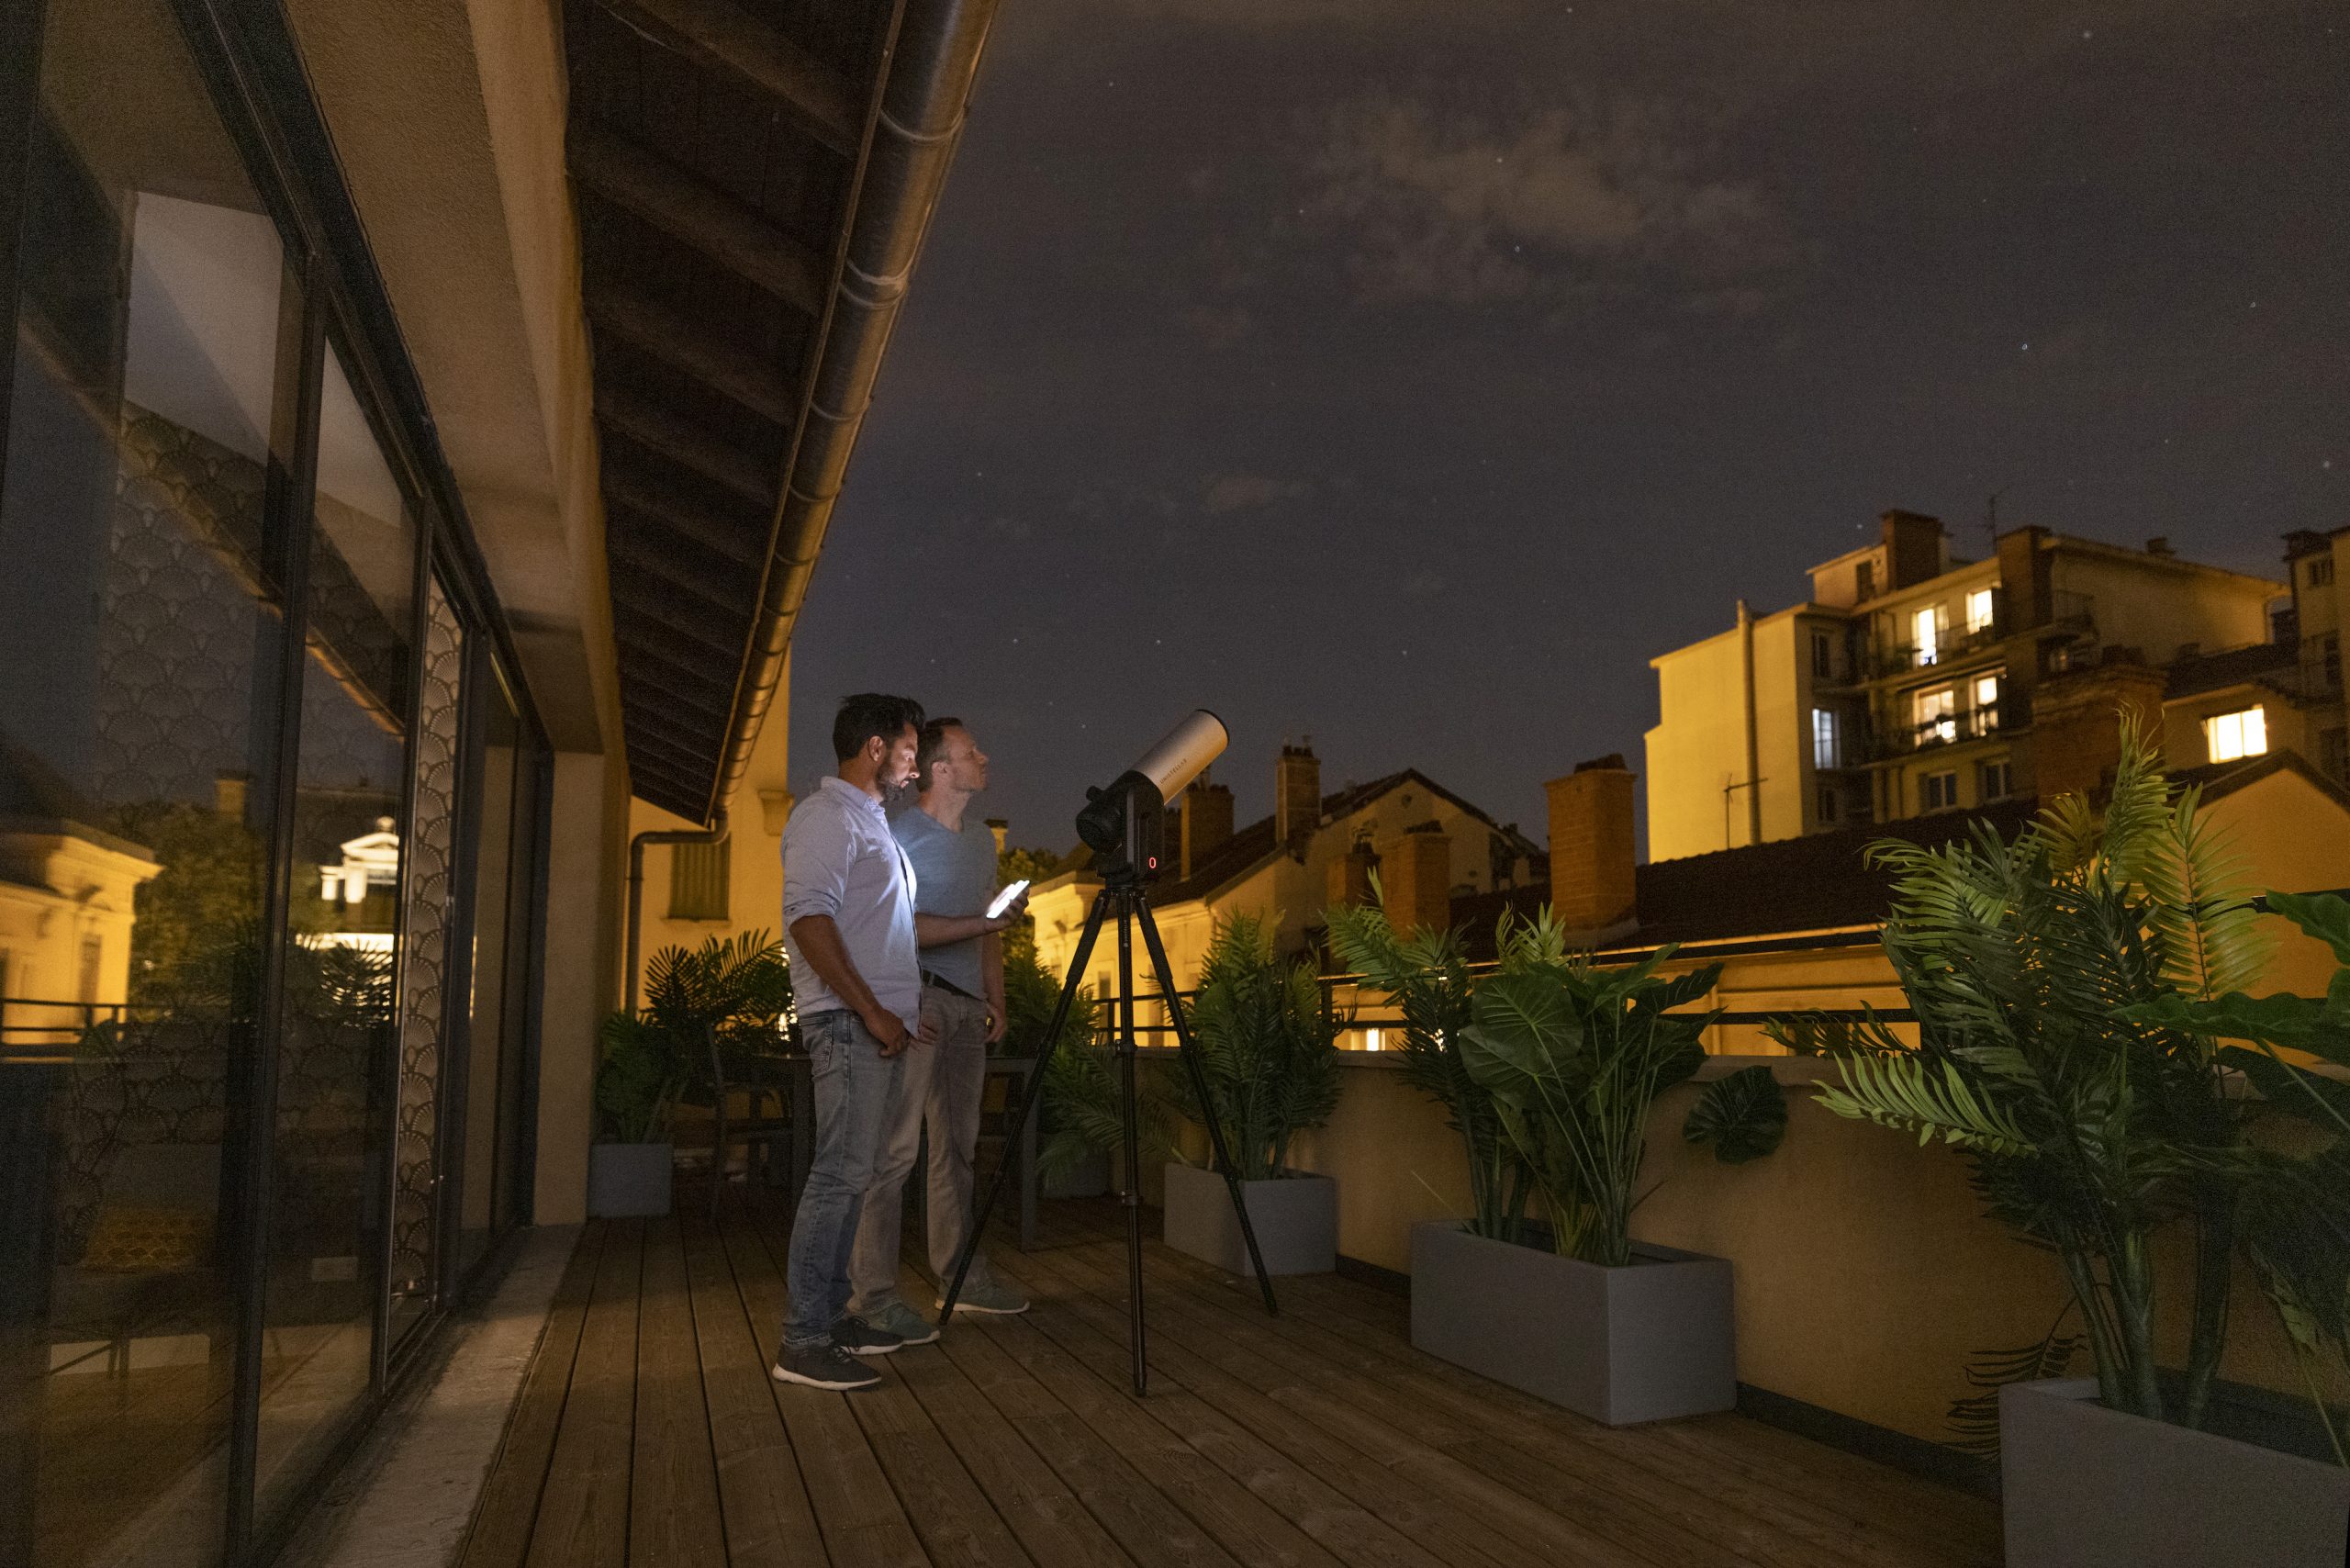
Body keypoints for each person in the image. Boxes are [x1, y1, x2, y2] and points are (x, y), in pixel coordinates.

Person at [771, 692, 936, 1392]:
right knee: (837, 1176)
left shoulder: (871, 824)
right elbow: (810, 921)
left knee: (854, 1177)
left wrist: (901, 1008)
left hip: (878, 1028)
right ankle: (802, 1339)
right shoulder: (826, 817)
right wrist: (872, 1013)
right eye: (908, 749)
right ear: (875, 749)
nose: (915, 764)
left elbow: (883, 931)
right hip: (846, 1027)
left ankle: (832, 1319)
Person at [847, 719, 1031, 1346]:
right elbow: (896, 931)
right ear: (941, 770)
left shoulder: (981, 840)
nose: (985, 755)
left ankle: (961, 1279)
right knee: (895, 1152)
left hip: (963, 1010)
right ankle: (871, 1297)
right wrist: (904, 997)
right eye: (970, 751)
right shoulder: (900, 834)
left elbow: (989, 927)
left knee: (957, 1147)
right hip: (916, 1003)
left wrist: (994, 999)